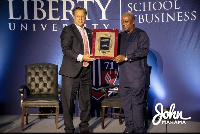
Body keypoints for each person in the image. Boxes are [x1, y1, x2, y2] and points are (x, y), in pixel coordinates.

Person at [59, 6, 95, 133]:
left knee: (85, 101)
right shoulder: (68, 30)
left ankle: (84, 126)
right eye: (78, 16)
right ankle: (69, 128)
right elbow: (66, 49)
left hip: (86, 70)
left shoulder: (90, 32)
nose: (80, 18)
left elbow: (95, 49)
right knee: (68, 102)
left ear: (85, 17)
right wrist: (81, 57)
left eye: (82, 16)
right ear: (73, 17)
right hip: (71, 72)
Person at [113, 12, 150, 133]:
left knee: (137, 105)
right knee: (127, 105)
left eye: (126, 21)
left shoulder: (141, 34)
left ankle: (139, 129)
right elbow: (110, 49)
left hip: (136, 77)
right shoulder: (120, 36)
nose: (124, 24)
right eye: (122, 22)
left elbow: (144, 51)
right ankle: (129, 127)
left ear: (133, 21)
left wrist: (126, 57)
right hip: (124, 78)